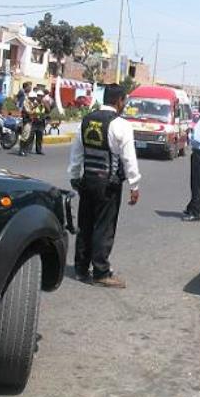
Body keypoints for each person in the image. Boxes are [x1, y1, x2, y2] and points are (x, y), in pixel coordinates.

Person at [67, 84, 141, 288]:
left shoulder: (86, 120)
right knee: (104, 227)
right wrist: (135, 185)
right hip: (108, 184)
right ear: (119, 101)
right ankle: (101, 272)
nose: (124, 105)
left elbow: (76, 153)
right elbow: (129, 159)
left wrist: (74, 176)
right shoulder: (121, 125)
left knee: (86, 224)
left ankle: (81, 268)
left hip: (87, 180)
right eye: (124, 101)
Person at [18, 91, 39, 157]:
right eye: (33, 98)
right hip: (26, 120)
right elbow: (28, 111)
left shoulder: (31, 103)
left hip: (30, 120)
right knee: (25, 135)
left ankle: (25, 149)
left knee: (28, 135)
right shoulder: (26, 102)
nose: (34, 99)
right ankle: (21, 150)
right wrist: (34, 109)